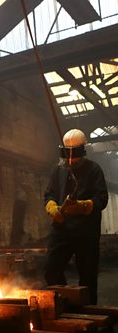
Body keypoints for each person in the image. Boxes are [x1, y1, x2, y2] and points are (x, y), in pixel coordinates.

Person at [44, 128, 108, 305]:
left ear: (84, 151)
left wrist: (83, 206)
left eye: (75, 155)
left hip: (85, 232)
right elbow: (49, 194)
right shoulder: (57, 171)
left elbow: (101, 199)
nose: (71, 160)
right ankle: (61, 304)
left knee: (87, 276)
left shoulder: (94, 170)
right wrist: (51, 207)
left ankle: (88, 312)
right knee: (52, 270)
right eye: (67, 155)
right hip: (61, 229)